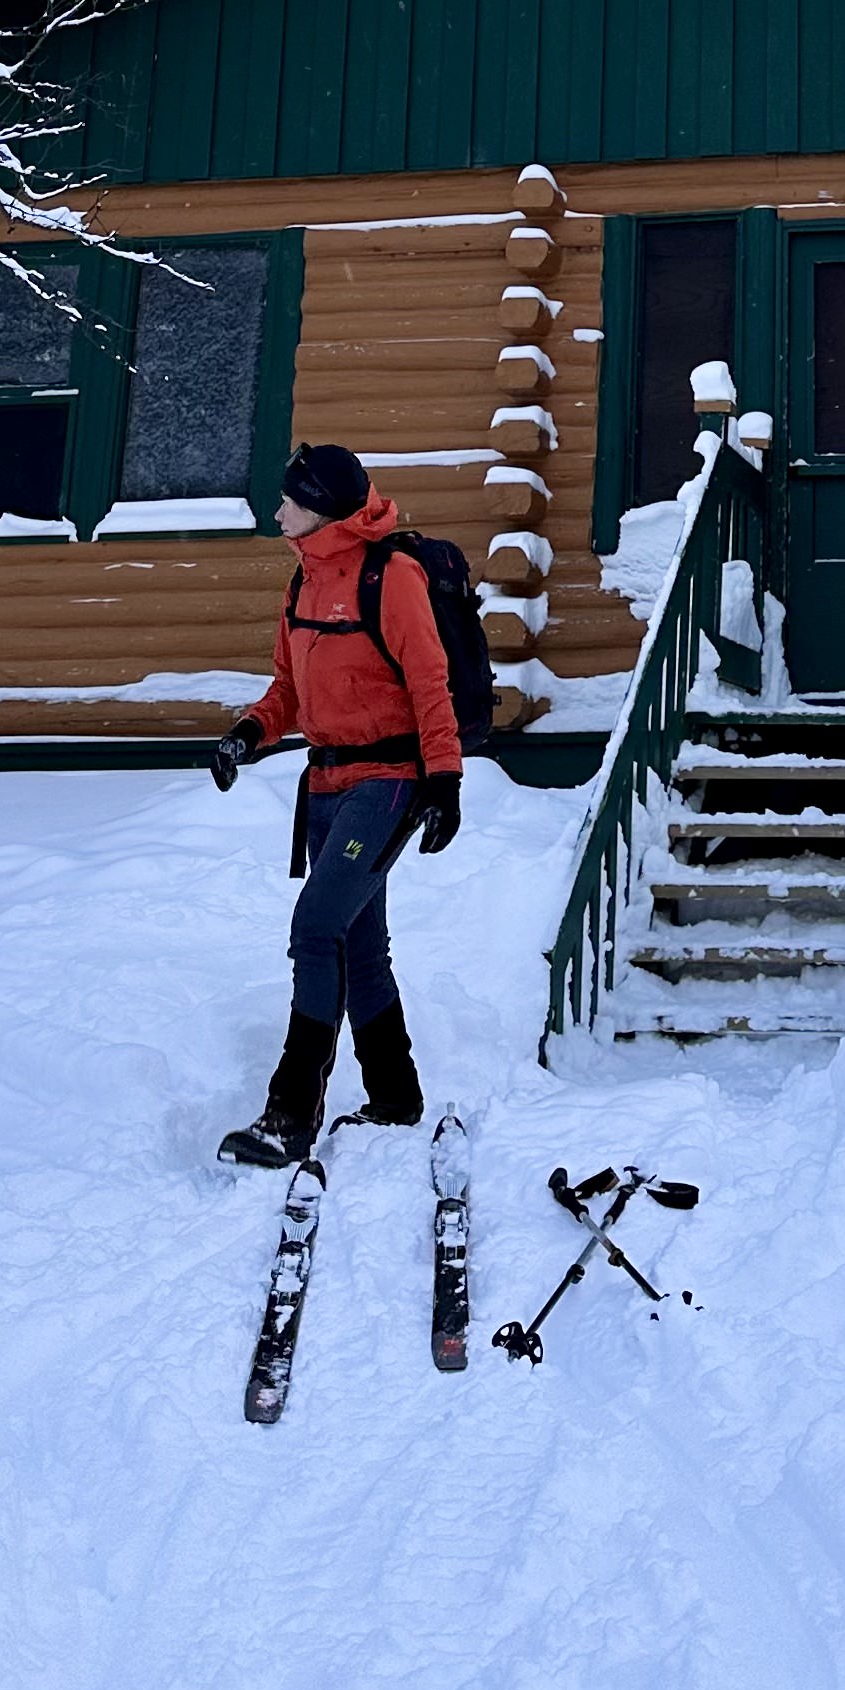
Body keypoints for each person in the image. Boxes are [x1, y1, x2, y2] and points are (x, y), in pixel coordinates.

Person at [210, 441, 463, 1166]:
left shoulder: (394, 576)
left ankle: (288, 1115)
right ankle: (395, 1095)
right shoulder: (302, 583)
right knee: (358, 942)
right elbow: (288, 690)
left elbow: (428, 681)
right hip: (325, 784)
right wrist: (245, 735)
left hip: (387, 783)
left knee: (317, 926)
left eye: (288, 497)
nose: (277, 508)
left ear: (317, 505)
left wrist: (443, 780)